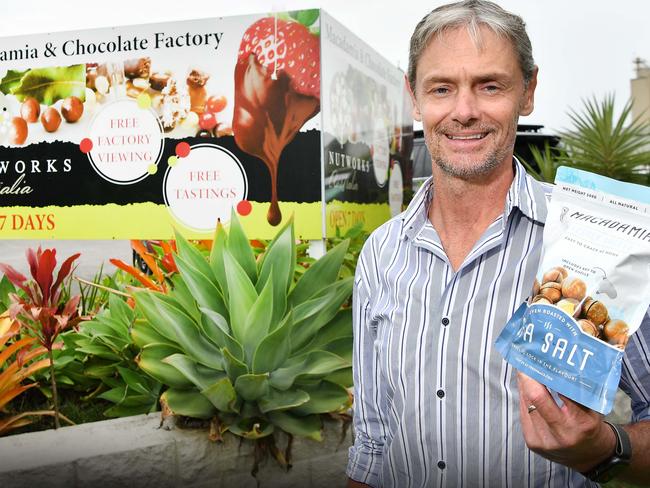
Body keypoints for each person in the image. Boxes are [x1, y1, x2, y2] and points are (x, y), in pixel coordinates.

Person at [346, 1, 650, 486]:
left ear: (528, 91)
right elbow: (373, 440)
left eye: (490, 86)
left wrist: (604, 449)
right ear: (414, 96)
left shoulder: (596, 242)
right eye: (442, 88)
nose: (464, 112)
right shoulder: (381, 254)